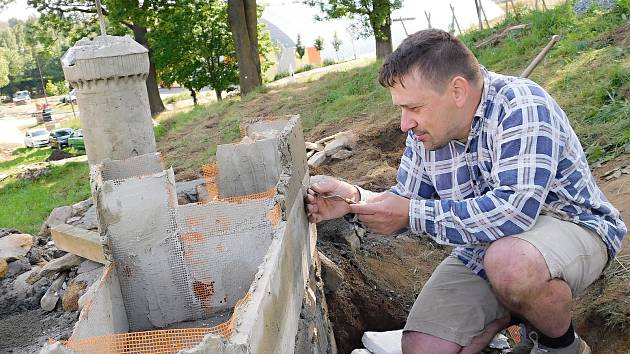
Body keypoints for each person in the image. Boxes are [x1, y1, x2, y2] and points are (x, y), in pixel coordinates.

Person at [305, 29, 626, 354]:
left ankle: (561, 346)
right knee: (421, 347)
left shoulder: (521, 105)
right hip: (488, 251)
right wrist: (353, 200)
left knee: (511, 263)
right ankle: (518, 314)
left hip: (572, 228)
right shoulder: (425, 136)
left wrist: (411, 213)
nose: (405, 123)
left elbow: (513, 211)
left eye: (414, 107)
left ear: (457, 90)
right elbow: (405, 202)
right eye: (401, 109)